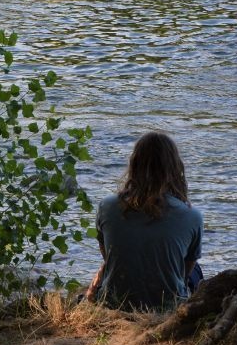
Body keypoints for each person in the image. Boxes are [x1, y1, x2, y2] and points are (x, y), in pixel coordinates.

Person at [86, 132, 203, 311]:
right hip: (166, 308)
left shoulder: (107, 206)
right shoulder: (192, 216)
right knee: (196, 271)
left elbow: (109, 257)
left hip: (115, 306)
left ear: (134, 164)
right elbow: (183, 273)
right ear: (175, 167)